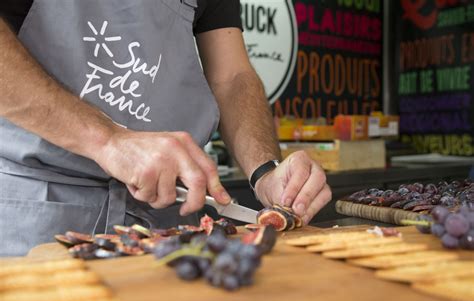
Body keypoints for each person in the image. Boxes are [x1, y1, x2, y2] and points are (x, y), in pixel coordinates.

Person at [0, 0, 331, 256]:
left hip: (164, 219)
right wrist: (108, 140)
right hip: (34, 207)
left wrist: (265, 170)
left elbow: (232, 78)